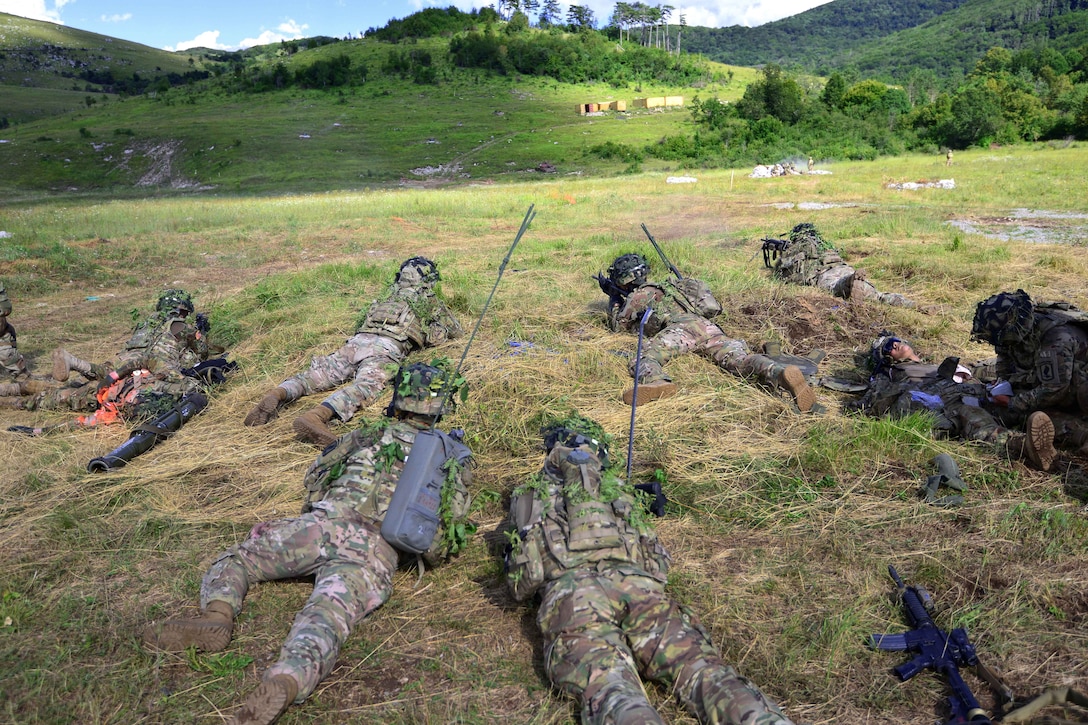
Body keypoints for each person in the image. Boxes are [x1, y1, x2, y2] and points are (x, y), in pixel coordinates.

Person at [143, 361, 475, 725]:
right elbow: (443, 536)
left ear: (398, 400)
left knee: (243, 559)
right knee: (328, 618)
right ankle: (286, 681)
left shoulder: (365, 435)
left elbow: (316, 480)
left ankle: (217, 615)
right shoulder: (453, 458)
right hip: (375, 552)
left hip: (325, 524)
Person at [504, 414, 798, 725]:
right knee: (703, 672)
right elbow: (658, 564)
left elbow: (524, 580)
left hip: (575, 593)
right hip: (639, 587)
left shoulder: (528, 493)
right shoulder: (617, 488)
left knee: (612, 689)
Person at [244, 256, 463, 447]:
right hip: (386, 347)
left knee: (318, 375)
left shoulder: (385, 299)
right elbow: (453, 333)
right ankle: (316, 416)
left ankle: (278, 393)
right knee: (365, 386)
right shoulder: (429, 302)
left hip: (356, 342)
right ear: (428, 281)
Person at [601, 253, 815, 411]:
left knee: (643, 356)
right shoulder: (671, 286)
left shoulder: (639, 295)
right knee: (740, 360)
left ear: (623, 280)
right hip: (707, 327)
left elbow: (619, 327)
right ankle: (778, 371)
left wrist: (614, 300)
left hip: (681, 330)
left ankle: (658, 382)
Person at [4, 289, 230, 433]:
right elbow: (200, 354)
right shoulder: (182, 326)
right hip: (145, 375)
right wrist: (202, 333)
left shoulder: (147, 323)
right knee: (76, 397)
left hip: (121, 366)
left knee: (71, 393)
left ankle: (14, 392)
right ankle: (17, 400)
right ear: (183, 310)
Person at [849, 332, 1058, 471]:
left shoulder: (935, 365)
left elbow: (985, 368)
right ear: (887, 359)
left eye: (896, 339)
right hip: (950, 402)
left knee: (1032, 411)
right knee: (979, 424)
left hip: (980, 393)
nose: (896, 343)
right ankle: (1023, 445)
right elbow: (872, 401)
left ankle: (1075, 436)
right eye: (889, 347)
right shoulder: (893, 374)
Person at [970, 289, 1088, 459]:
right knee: (1024, 415)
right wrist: (1003, 384)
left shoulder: (1056, 339)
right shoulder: (1012, 334)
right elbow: (1005, 361)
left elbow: (1054, 389)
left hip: (1075, 389)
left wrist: (1012, 402)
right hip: (1058, 387)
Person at [766, 223, 915, 308]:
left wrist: (782, 256)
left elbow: (785, 273)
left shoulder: (799, 247)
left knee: (837, 287)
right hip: (843, 268)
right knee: (878, 295)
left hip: (824, 274)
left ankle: (850, 282)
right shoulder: (823, 244)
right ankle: (913, 305)